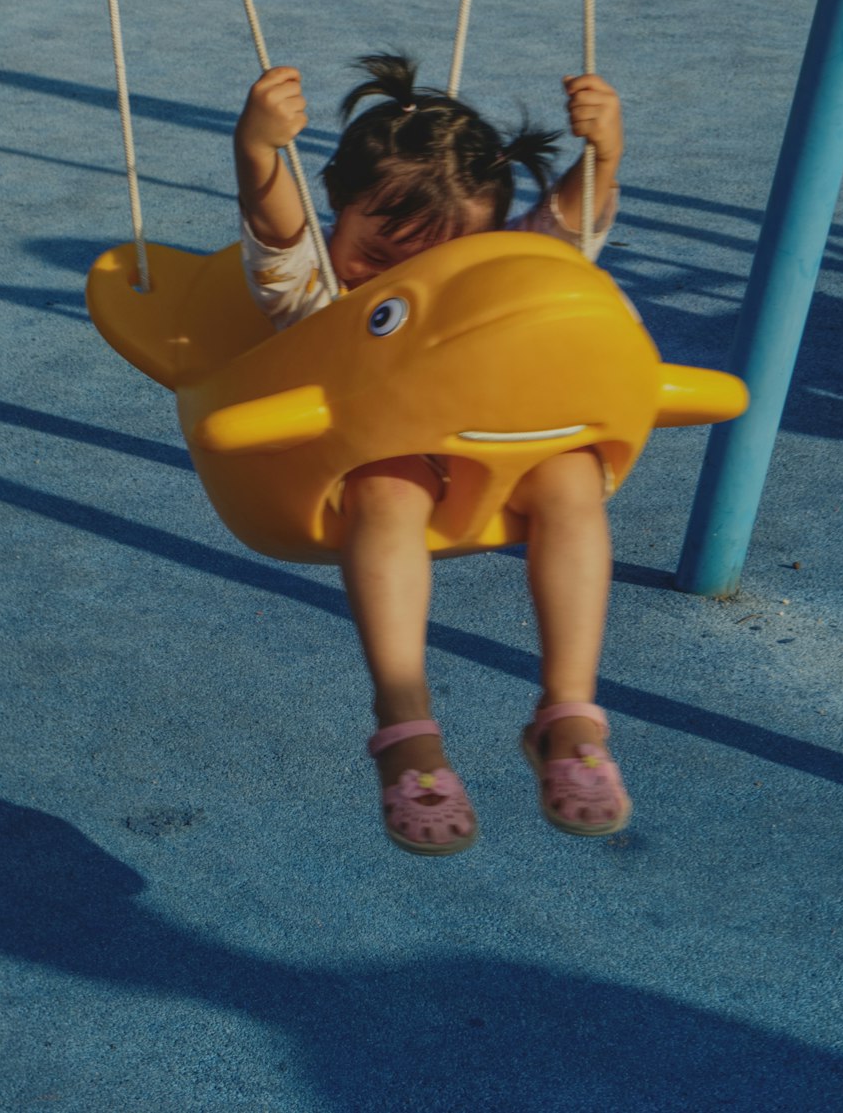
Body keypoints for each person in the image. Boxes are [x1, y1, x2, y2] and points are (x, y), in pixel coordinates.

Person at [234, 54, 631, 855]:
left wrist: (606, 158)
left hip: (498, 447)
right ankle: (405, 722)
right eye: (379, 256)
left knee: (573, 476)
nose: (406, 277)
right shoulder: (315, 284)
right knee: (388, 490)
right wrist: (257, 152)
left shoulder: (493, 269)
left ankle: (569, 714)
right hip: (371, 453)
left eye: (440, 259)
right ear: (335, 212)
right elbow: (278, 224)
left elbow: (561, 240)